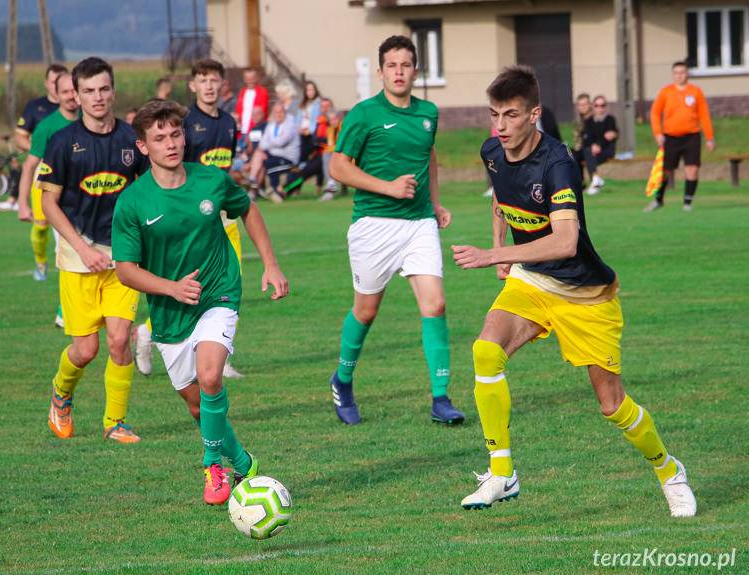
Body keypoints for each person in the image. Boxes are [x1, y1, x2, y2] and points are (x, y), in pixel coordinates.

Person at [451, 66, 695, 517]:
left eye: (510, 115)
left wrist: (491, 255)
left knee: (612, 405)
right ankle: (502, 473)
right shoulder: (492, 151)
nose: (500, 126)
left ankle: (668, 470)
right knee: (485, 351)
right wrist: (502, 247)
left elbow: (565, 241)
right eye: (494, 115)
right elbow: (502, 199)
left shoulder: (558, 164)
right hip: (532, 280)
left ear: (534, 115)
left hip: (585, 294)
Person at [112, 99, 289, 504]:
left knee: (211, 377)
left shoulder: (211, 180)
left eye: (176, 134)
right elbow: (125, 270)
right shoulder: (133, 201)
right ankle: (243, 462)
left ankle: (212, 465)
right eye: (160, 138)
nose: (171, 143)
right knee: (198, 407)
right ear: (143, 147)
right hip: (170, 312)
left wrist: (271, 264)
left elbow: (248, 209)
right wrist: (171, 288)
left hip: (218, 291)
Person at [327, 35, 464, 426]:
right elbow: (338, 167)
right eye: (392, 65)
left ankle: (441, 398)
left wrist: (435, 203)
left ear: (415, 71)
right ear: (381, 71)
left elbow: (428, 155)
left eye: (406, 65)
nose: (399, 72)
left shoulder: (428, 113)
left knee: (435, 305)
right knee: (366, 310)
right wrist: (388, 187)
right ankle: (342, 380)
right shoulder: (364, 114)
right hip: (374, 224)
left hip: (419, 223)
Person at [37, 57, 149, 444]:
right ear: (77, 96)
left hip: (123, 256)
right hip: (78, 257)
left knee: (119, 340)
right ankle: (61, 393)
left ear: (113, 91)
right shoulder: (62, 142)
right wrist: (83, 249)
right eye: (88, 91)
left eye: (103, 89)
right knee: (85, 350)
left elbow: (146, 192)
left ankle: (115, 422)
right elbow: (49, 203)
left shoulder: (131, 139)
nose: (97, 97)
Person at [132, 58, 246, 379]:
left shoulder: (229, 123)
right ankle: (149, 332)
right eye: (203, 80)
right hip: (191, 221)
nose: (209, 86)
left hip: (224, 216)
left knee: (228, 284)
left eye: (214, 80)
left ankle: (218, 355)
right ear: (193, 86)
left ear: (222, 84)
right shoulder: (184, 124)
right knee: (194, 286)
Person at [17, 70, 80, 284]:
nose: (71, 96)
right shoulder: (47, 127)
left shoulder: (91, 121)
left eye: (73, 91)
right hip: (51, 191)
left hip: (85, 194)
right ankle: (41, 263)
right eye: (65, 92)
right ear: (56, 94)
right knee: (50, 234)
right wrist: (22, 203)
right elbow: (29, 166)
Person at [645, 61, 715, 212]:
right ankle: (658, 200)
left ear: (687, 74)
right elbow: (655, 113)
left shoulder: (696, 92)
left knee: (692, 169)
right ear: (673, 75)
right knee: (665, 171)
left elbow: (704, 115)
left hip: (692, 136)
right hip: (670, 137)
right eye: (676, 73)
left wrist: (709, 137)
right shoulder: (666, 92)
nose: (679, 76)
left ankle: (687, 203)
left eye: (682, 72)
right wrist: (658, 133)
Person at [251, 102, 299, 203]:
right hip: (274, 155)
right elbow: (263, 142)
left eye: (280, 112)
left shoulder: (290, 125)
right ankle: (254, 185)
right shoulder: (271, 125)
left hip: (288, 159)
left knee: (265, 161)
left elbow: (281, 142)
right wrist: (270, 143)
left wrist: (268, 143)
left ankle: (259, 188)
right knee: (260, 155)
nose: (278, 114)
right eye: (276, 112)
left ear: (285, 112)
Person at [14, 63, 67, 153]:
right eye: (54, 82)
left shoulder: (78, 107)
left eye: (61, 82)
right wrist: (40, 152)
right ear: (46, 83)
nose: (57, 86)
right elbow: (19, 138)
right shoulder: (34, 106)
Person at [581, 95, 618, 195]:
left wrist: (598, 146)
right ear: (593, 106)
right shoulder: (589, 121)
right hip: (592, 151)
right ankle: (595, 180)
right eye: (597, 105)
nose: (599, 108)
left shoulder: (610, 119)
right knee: (586, 153)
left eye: (602, 105)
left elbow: (609, 136)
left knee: (589, 157)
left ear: (606, 106)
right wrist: (593, 146)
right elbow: (586, 138)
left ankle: (595, 182)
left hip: (606, 150)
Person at [235, 67, 269, 135]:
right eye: (247, 79)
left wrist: (252, 131)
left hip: (255, 130)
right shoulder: (242, 92)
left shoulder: (263, 92)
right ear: (244, 79)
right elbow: (238, 111)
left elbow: (262, 113)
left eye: (252, 78)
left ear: (257, 78)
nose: (250, 81)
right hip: (241, 131)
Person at [571, 93, 593, 180]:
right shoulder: (578, 121)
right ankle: (580, 182)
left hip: (592, 149)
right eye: (580, 105)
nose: (582, 107)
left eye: (585, 104)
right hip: (581, 149)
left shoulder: (594, 119)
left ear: (590, 105)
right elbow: (577, 140)